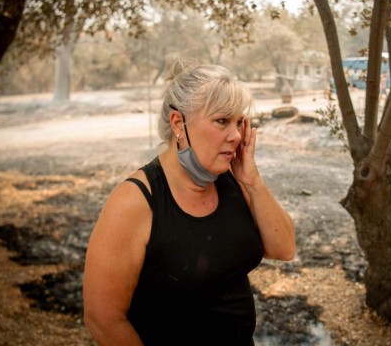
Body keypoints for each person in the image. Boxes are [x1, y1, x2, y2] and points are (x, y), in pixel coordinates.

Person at [82, 58, 296, 345]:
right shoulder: (134, 201)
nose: (235, 136)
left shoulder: (232, 179)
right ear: (178, 123)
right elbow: (103, 319)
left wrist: (252, 180)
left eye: (239, 122)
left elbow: (284, 249)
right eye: (221, 121)